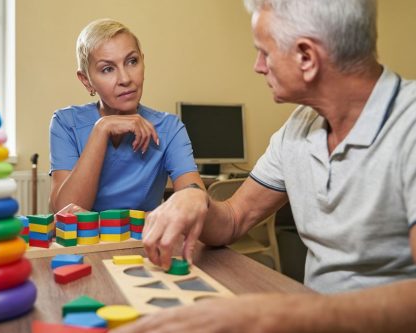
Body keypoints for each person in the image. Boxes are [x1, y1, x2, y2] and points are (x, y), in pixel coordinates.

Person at [113, 0, 416, 332]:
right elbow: (233, 220)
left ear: (306, 58)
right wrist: (196, 199)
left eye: (264, 52)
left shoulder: (409, 125)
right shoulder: (299, 126)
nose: (258, 66)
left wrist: (282, 314)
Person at [49, 19, 203, 214]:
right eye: (107, 69)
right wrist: (101, 129)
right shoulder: (66, 123)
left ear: (143, 62)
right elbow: (65, 212)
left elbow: (195, 199)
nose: (125, 79)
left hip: (144, 241)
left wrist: (191, 199)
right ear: (86, 81)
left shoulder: (170, 128)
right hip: (85, 244)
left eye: (132, 62)